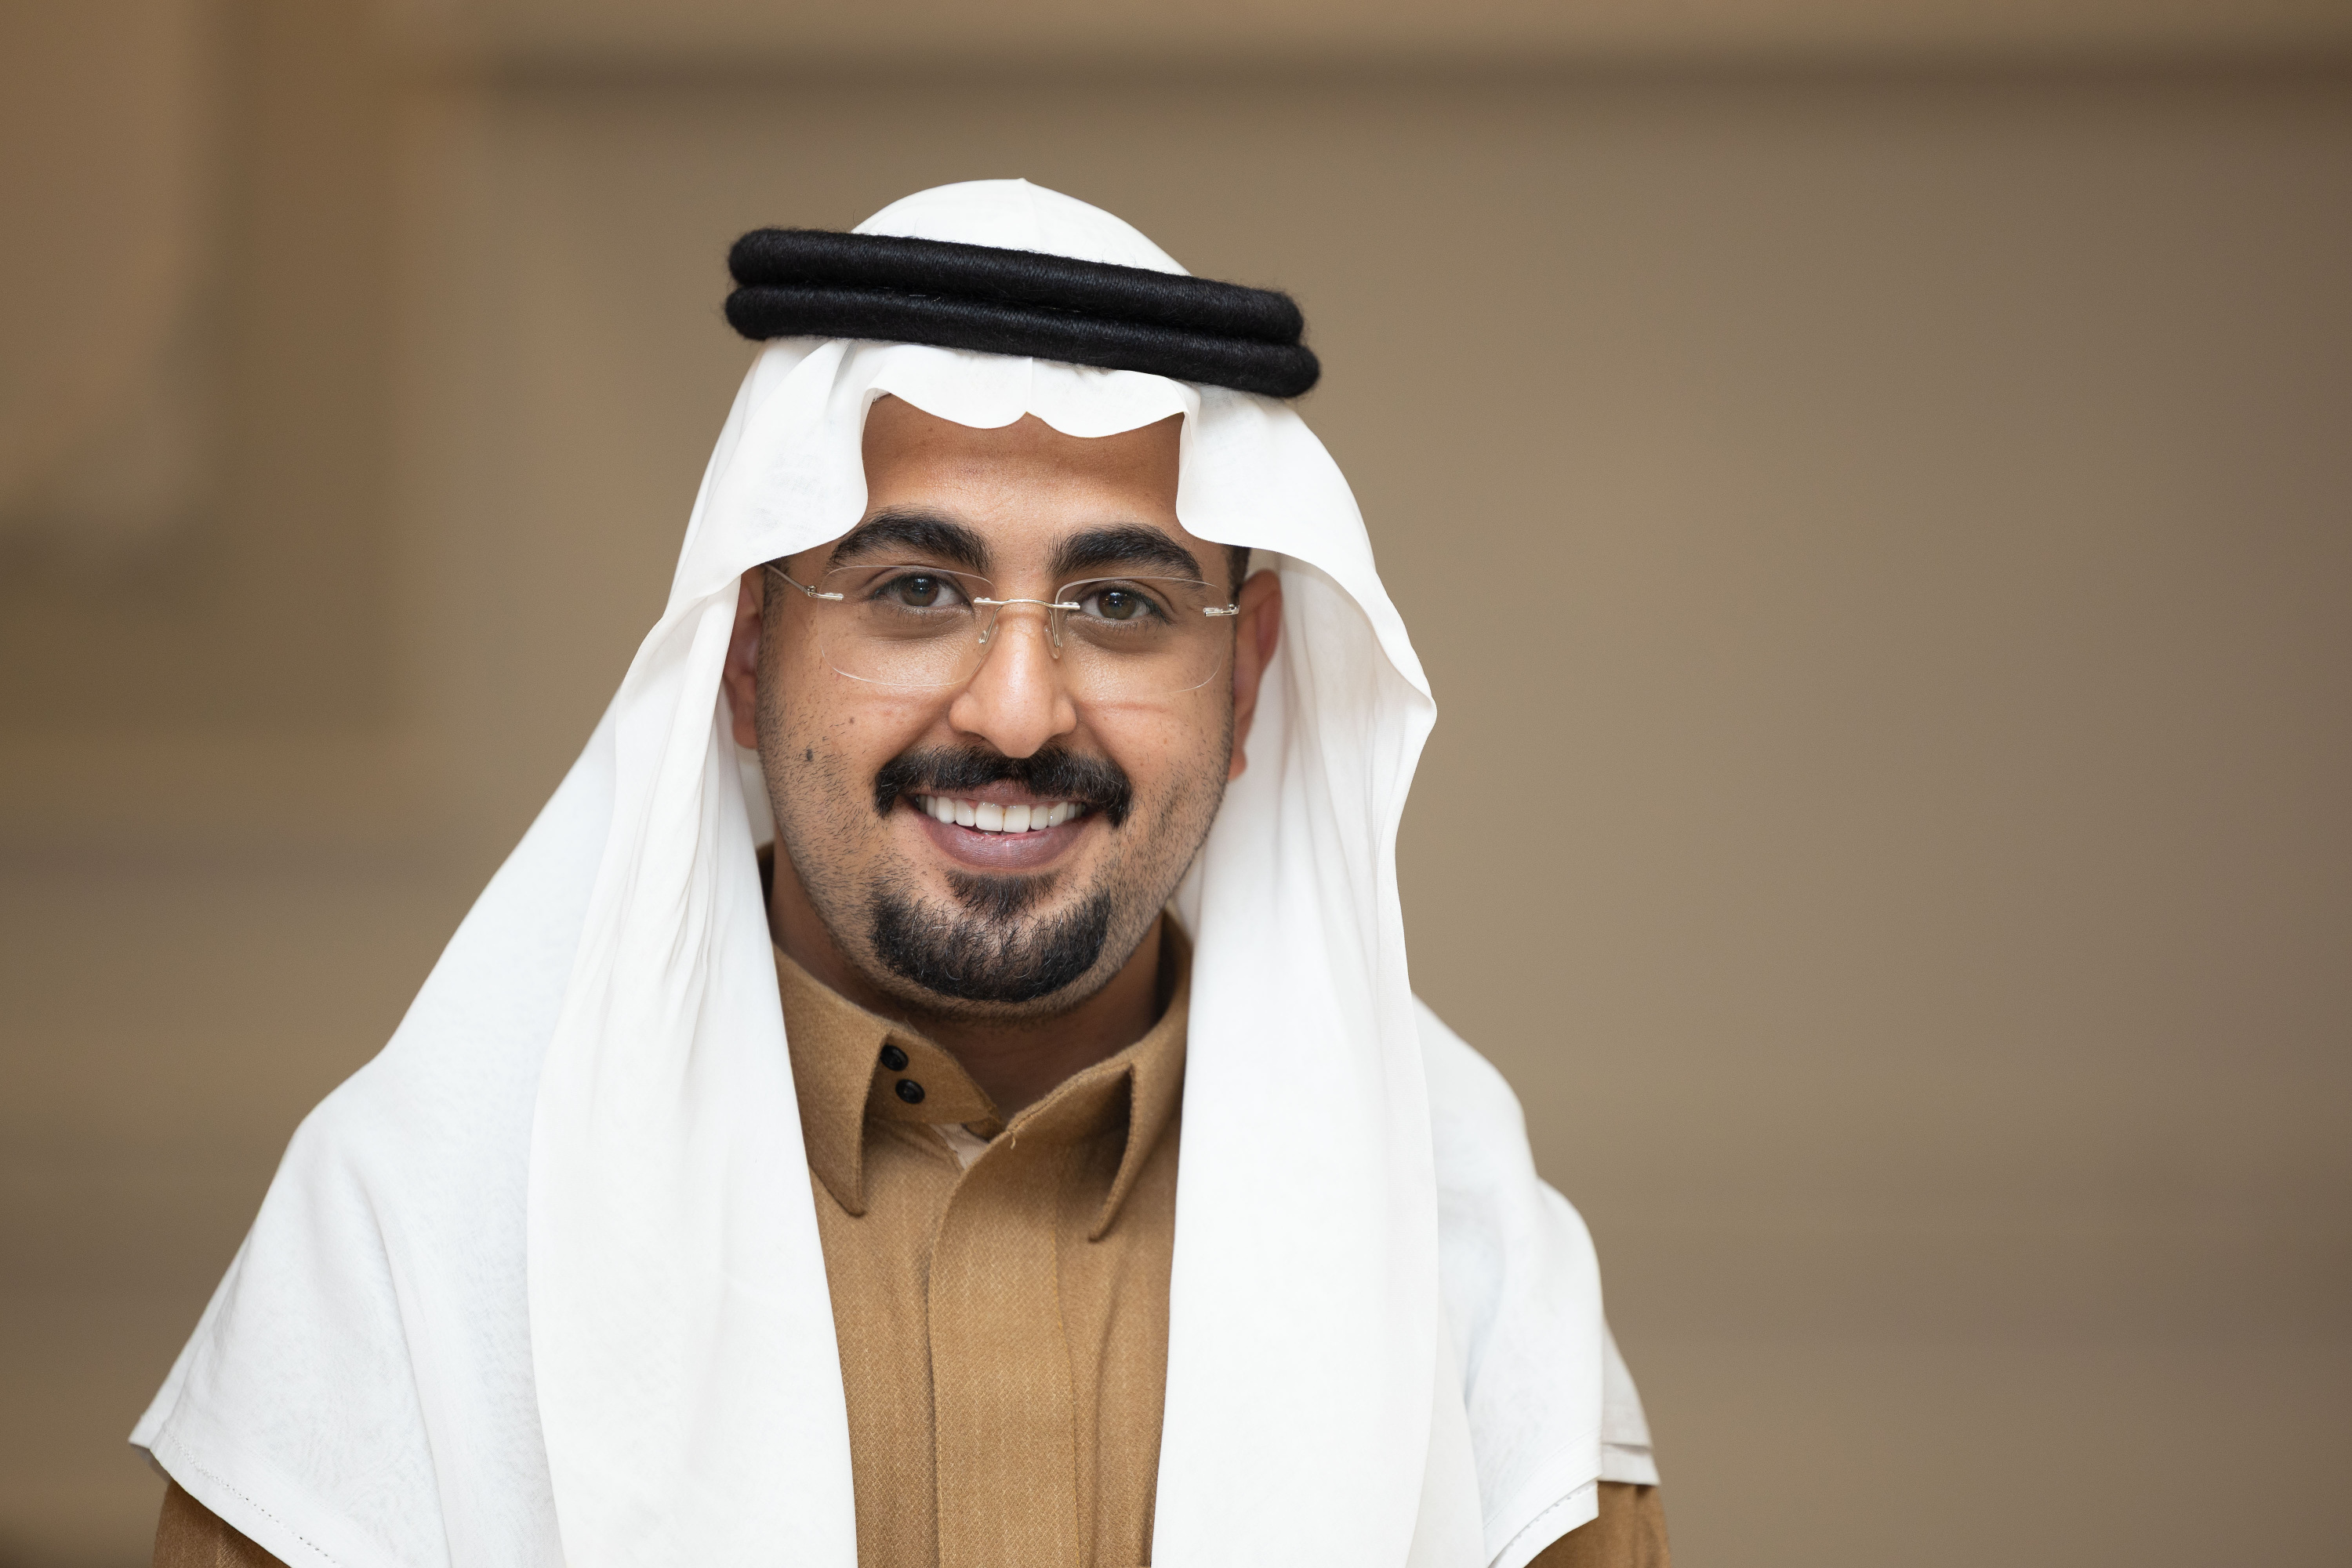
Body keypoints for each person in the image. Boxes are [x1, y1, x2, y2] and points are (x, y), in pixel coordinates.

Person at [138, 180, 1668, 1568]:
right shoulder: (420, 1232)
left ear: (1249, 677)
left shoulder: (1466, 1261)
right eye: (918, 589)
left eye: (1120, 604)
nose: (1016, 711)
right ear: (747, 652)